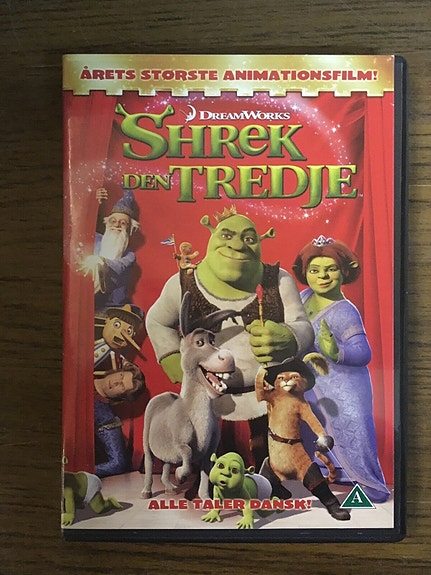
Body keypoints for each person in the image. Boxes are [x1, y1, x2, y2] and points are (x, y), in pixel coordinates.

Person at [145, 206, 314, 469]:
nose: (237, 245)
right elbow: (156, 320)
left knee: (268, 455)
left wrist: (290, 337)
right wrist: (171, 357)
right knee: (207, 453)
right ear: (212, 238)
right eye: (227, 236)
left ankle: (268, 480)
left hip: (264, 398)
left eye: (249, 238)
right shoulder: (182, 283)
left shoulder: (279, 281)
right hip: (205, 398)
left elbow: (303, 325)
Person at [292, 235, 390, 503]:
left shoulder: (345, 311)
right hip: (313, 386)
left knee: (354, 433)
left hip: (346, 388)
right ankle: (322, 476)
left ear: (344, 272)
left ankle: (369, 485)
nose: (322, 276)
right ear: (305, 273)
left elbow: (364, 353)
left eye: (331, 269)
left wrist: (336, 351)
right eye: (314, 270)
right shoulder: (303, 297)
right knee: (308, 429)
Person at [79, 187, 140, 315]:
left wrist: (101, 261)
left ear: (130, 229)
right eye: (113, 221)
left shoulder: (129, 256)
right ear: (107, 224)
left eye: (123, 223)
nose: (116, 225)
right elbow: (80, 228)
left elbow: (118, 267)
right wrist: (93, 202)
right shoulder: (95, 240)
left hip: (111, 308)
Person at [94, 359, 145, 478]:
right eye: (121, 376)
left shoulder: (105, 416)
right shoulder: (83, 371)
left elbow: (118, 463)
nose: (116, 382)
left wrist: (81, 471)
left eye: (122, 386)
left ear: (121, 397)